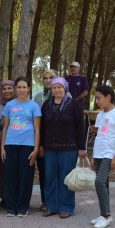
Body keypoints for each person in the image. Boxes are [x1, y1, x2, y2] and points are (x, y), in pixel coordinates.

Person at [40, 77, 86, 219]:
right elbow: (42, 127)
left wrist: (82, 147)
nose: (57, 90)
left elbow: (81, 127)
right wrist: (41, 145)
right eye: (54, 87)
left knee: (66, 178)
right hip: (50, 148)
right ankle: (51, 205)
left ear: (65, 88)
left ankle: (66, 207)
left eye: (59, 87)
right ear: (51, 89)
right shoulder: (47, 104)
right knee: (50, 177)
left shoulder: (74, 105)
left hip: (69, 147)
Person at [1, 77, 41, 218]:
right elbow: (5, 127)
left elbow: (37, 129)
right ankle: (11, 207)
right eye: (19, 87)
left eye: (24, 87)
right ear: (15, 88)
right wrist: (2, 147)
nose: (21, 90)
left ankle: (23, 207)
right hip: (10, 144)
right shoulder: (9, 105)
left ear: (29, 88)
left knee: (25, 177)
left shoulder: (34, 106)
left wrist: (36, 149)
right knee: (11, 177)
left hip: (27, 146)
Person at [90, 85, 115, 228]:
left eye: (99, 98)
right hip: (99, 153)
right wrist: (92, 155)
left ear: (108, 97)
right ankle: (105, 214)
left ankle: (105, 216)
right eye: (96, 98)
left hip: (109, 155)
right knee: (104, 184)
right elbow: (98, 136)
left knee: (99, 182)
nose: (97, 101)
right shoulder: (100, 115)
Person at [33, 69, 58, 211]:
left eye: (51, 77)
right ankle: (46, 201)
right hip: (43, 140)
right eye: (45, 78)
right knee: (44, 173)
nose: (48, 80)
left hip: (61, 143)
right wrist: (40, 144)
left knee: (58, 173)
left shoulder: (66, 95)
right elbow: (38, 123)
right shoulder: (38, 97)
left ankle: (59, 201)